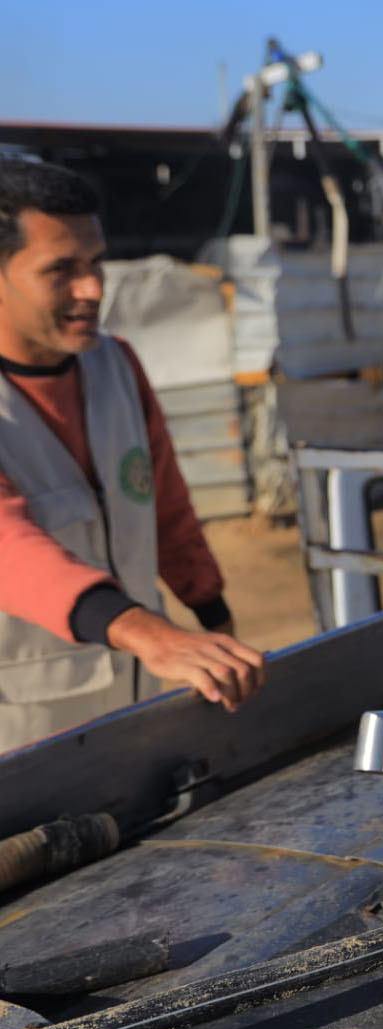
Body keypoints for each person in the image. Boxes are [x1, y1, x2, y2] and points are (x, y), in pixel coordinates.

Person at [0, 159, 264, 752]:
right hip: (22, 737)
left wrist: (210, 611)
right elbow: (6, 546)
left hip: (130, 712)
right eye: (60, 270)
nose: (92, 289)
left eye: (96, 263)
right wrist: (148, 631)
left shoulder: (115, 365)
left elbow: (163, 501)